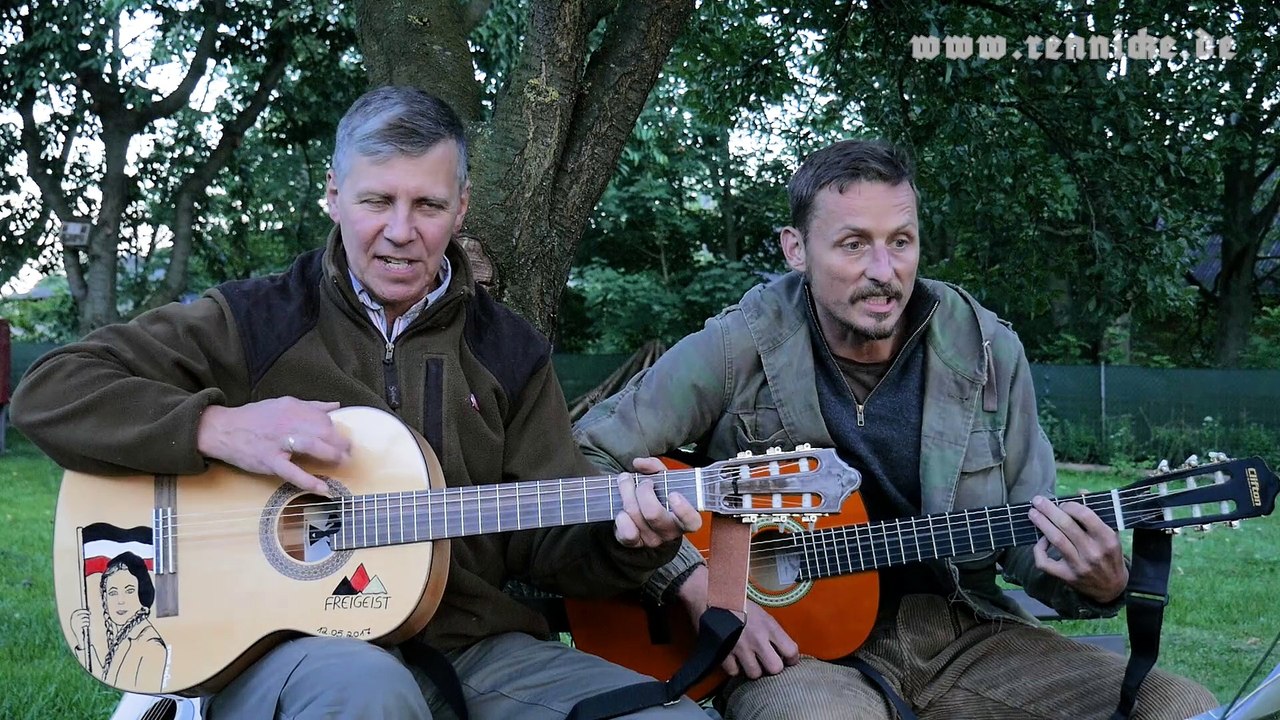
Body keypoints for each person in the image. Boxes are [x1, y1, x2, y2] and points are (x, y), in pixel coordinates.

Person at [13, 85, 707, 720]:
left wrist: (629, 543)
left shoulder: (509, 352)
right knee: (367, 693)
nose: (402, 231)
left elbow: (546, 544)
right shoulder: (258, 319)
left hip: (473, 651)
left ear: (460, 207)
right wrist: (219, 427)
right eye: (377, 201)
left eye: (428, 205)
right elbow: (50, 391)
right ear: (334, 194)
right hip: (289, 652)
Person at [574, 139, 1220, 719]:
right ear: (794, 248)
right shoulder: (736, 346)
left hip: (962, 631)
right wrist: (693, 584)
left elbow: (1030, 535)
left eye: (901, 241)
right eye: (854, 244)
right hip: (798, 652)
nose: (885, 272)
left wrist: (1097, 581)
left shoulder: (988, 350)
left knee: (1182, 706)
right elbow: (586, 454)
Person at [69, 551, 169, 688]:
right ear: (105, 599)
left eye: (129, 591)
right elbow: (109, 681)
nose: (120, 601)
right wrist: (83, 643)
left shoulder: (151, 645)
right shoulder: (125, 637)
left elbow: (140, 694)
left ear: (143, 593)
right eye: (113, 593)